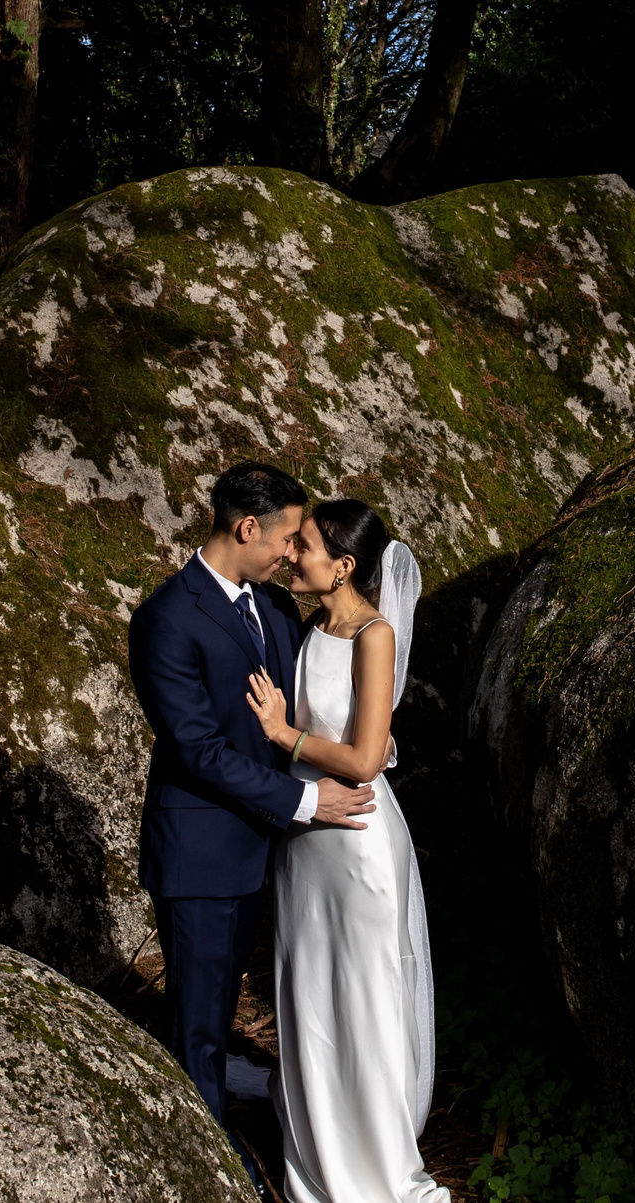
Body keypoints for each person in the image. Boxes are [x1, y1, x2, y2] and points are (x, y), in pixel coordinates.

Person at [128, 462, 377, 1187]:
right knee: (201, 1020)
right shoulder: (165, 619)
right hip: (201, 854)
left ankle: (207, 1089)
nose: (294, 552)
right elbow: (199, 751)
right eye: (289, 537)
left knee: (216, 999)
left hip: (261, 850)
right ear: (247, 529)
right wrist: (307, 802)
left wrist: (368, 743)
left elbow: (313, 699)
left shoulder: (271, 608)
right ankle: (209, 1161)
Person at [246, 498, 447, 1203]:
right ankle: (319, 1147)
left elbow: (364, 758)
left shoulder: (375, 634)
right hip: (306, 846)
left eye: (304, 545)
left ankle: (382, 1169)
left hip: (357, 845)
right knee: (310, 994)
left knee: (362, 1000)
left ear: (345, 565)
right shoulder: (308, 627)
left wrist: (284, 737)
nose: (292, 553)